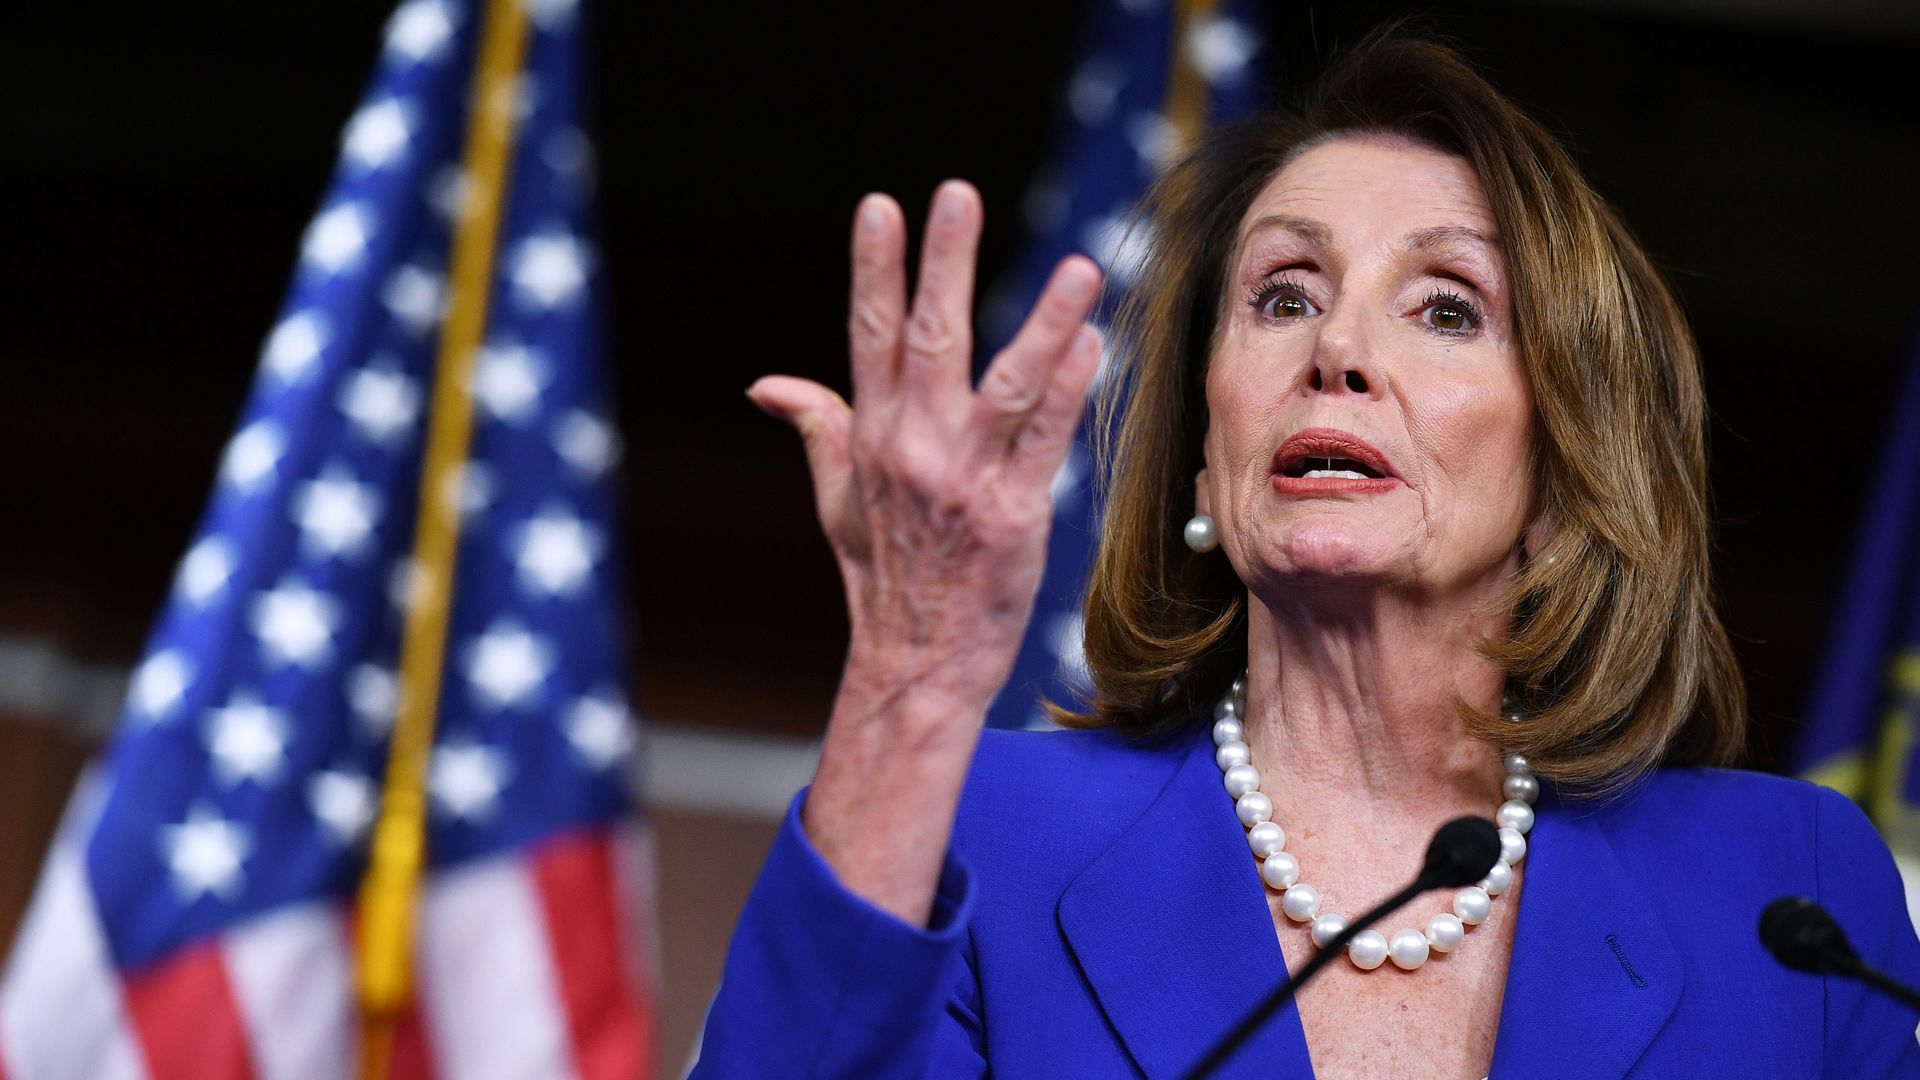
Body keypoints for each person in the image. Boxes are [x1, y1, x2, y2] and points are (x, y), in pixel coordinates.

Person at [692, 34, 1920, 1079]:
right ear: (1201, 459)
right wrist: (908, 684)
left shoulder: (1787, 899)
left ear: (1567, 469)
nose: (1337, 346)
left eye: (1447, 307)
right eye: (1284, 294)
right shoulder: (972, 833)